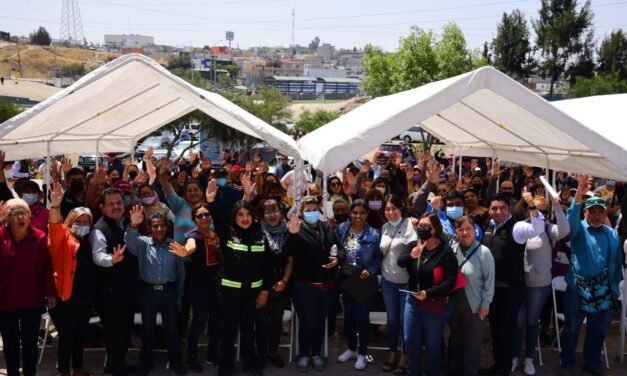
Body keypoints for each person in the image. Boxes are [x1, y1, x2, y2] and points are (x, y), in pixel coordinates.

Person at [205, 179, 270, 376]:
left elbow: (266, 266)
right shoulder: (227, 234)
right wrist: (210, 200)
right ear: (234, 217)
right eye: (240, 214)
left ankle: (250, 365)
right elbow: (215, 217)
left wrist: (265, 290)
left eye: (248, 214)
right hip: (229, 294)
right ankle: (225, 368)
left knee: (249, 331)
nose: (245, 218)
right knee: (229, 331)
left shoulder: (260, 235)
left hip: (252, 293)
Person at [559, 175, 623, 376]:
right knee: (571, 328)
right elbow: (571, 219)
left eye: (600, 211)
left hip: (603, 290)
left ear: (605, 213)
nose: (596, 215)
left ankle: (592, 362)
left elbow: (617, 260)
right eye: (592, 211)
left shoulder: (611, 233)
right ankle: (567, 363)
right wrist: (578, 194)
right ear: (585, 212)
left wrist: (615, 287)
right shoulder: (578, 230)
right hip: (577, 288)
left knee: (598, 331)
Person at [479, 191, 546, 376]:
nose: (498, 211)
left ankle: (504, 369)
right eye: (494, 208)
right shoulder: (489, 227)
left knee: (505, 332)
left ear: (509, 209)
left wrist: (531, 206)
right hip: (491, 289)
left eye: (502, 208)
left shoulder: (516, 228)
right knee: (495, 330)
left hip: (509, 290)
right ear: (489, 209)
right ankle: (498, 366)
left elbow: (538, 228)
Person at [125, 206, 187, 376]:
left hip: (169, 292)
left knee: (172, 329)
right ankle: (146, 363)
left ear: (167, 227)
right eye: (155, 226)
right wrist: (133, 226)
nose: (159, 229)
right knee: (148, 329)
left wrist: (180, 298)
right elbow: (129, 243)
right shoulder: (143, 243)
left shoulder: (174, 246)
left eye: (162, 225)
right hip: (148, 292)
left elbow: (181, 274)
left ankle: (176, 362)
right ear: (150, 228)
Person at [512, 194, 570, 375]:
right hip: (518, 284)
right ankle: (514, 357)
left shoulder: (548, 228)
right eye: (534, 208)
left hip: (539, 285)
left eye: (543, 210)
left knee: (531, 322)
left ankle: (529, 358)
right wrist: (526, 201)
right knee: (517, 322)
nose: (538, 212)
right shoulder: (520, 228)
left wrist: (557, 206)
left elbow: (564, 230)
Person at [286, 195, 344, 372]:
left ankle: (316, 354)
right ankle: (304, 354)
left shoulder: (326, 228)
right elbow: (288, 252)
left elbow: (340, 249)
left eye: (314, 209)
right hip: (305, 287)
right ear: (302, 213)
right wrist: (292, 235)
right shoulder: (298, 230)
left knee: (320, 323)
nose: (311, 213)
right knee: (307, 322)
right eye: (307, 210)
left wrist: (337, 260)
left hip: (326, 286)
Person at [0, 198, 56, 376]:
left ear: (30, 217)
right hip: (5, 301)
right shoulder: (1, 235)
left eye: (23, 212)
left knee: (30, 341)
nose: (20, 217)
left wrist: (50, 293)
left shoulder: (39, 237)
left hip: (32, 300)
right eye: (15, 213)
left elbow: (47, 268)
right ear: (7, 218)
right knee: (10, 342)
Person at [398, 213, 457, 376]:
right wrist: (412, 255)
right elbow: (400, 261)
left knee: (432, 343)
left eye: (427, 226)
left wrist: (428, 293)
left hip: (433, 302)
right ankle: (413, 371)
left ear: (435, 229)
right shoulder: (413, 245)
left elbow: (450, 281)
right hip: (412, 301)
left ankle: (432, 372)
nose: (422, 229)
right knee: (410, 340)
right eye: (420, 226)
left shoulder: (445, 251)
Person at [48, 182, 96, 376]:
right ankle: (64, 372)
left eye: (86, 222)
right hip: (64, 298)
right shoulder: (62, 237)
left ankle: (77, 368)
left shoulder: (89, 240)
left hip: (83, 299)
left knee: (79, 336)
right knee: (67, 337)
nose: (82, 225)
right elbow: (54, 225)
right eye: (79, 221)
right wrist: (56, 205)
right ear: (70, 221)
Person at [90, 188, 138, 376]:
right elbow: (98, 256)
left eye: (119, 203)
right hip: (109, 292)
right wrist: (112, 260)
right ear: (102, 207)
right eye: (111, 204)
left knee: (125, 329)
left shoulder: (126, 224)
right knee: (114, 332)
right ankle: (116, 368)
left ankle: (117, 365)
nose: (116, 207)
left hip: (126, 290)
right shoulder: (99, 230)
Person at [170, 202, 222, 371]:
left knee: (216, 322)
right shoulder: (193, 235)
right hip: (200, 287)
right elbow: (190, 247)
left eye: (206, 214)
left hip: (218, 285)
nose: (204, 218)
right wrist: (185, 252)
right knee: (198, 322)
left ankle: (213, 353)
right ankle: (191, 355)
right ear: (194, 219)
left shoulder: (216, 233)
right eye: (199, 216)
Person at [336, 200, 382, 370]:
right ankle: (351, 348)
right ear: (350, 213)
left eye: (362, 213)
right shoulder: (342, 229)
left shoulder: (375, 234)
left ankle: (362, 353)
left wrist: (370, 270)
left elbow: (379, 258)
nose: (358, 216)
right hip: (348, 277)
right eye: (355, 212)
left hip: (364, 279)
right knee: (349, 317)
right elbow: (336, 249)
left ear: (367, 214)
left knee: (362, 319)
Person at [447, 216, 495, 376]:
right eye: (461, 229)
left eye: (468, 228)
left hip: (474, 305)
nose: (465, 232)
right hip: (454, 302)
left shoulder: (484, 252)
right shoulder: (453, 246)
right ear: (456, 232)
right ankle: (456, 371)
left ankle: (471, 372)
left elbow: (489, 282)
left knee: (473, 344)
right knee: (456, 341)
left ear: (475, 230)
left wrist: (485, 305)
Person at [379, 194, 417, 374]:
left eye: (394, 208)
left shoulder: (411, 225)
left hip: (406, 282)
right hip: (388, 282)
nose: (391, 212)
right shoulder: (384, 227)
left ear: (401, 209)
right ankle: (392, 353)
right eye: (387, 209)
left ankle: (405, 355)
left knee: (405, 322)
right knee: (392, 321)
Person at [255, 198, 294, 369]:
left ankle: (273, 352)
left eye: (274, 210)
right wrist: (264, 287)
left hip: (280, 283)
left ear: (281, 212)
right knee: (262, 320)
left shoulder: (289, 231)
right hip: (261, 284)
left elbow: (290, 259)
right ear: (262, 215)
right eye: (267, 211)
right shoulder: (256, 232)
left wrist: (284, 281)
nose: (272, 215)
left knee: (277, 320)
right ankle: (262, 353)